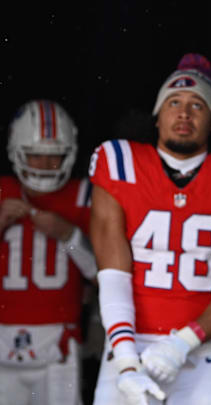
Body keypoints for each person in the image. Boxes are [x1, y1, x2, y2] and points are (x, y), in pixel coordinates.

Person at [89, 53, 211, 405]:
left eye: (197, 105)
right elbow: (113, 273)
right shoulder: (119, 162)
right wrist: (125, 360)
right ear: (157, 115)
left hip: (205, 352)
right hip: (128, 344)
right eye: (174, 102)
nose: (184, 113)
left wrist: (185, 340)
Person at [0, 99, 97, 405]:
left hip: (59, 343)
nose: (43, 164)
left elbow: (103, 271)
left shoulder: (84, 196)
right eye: (35, 155)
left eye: (53, 157)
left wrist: (68, 235)